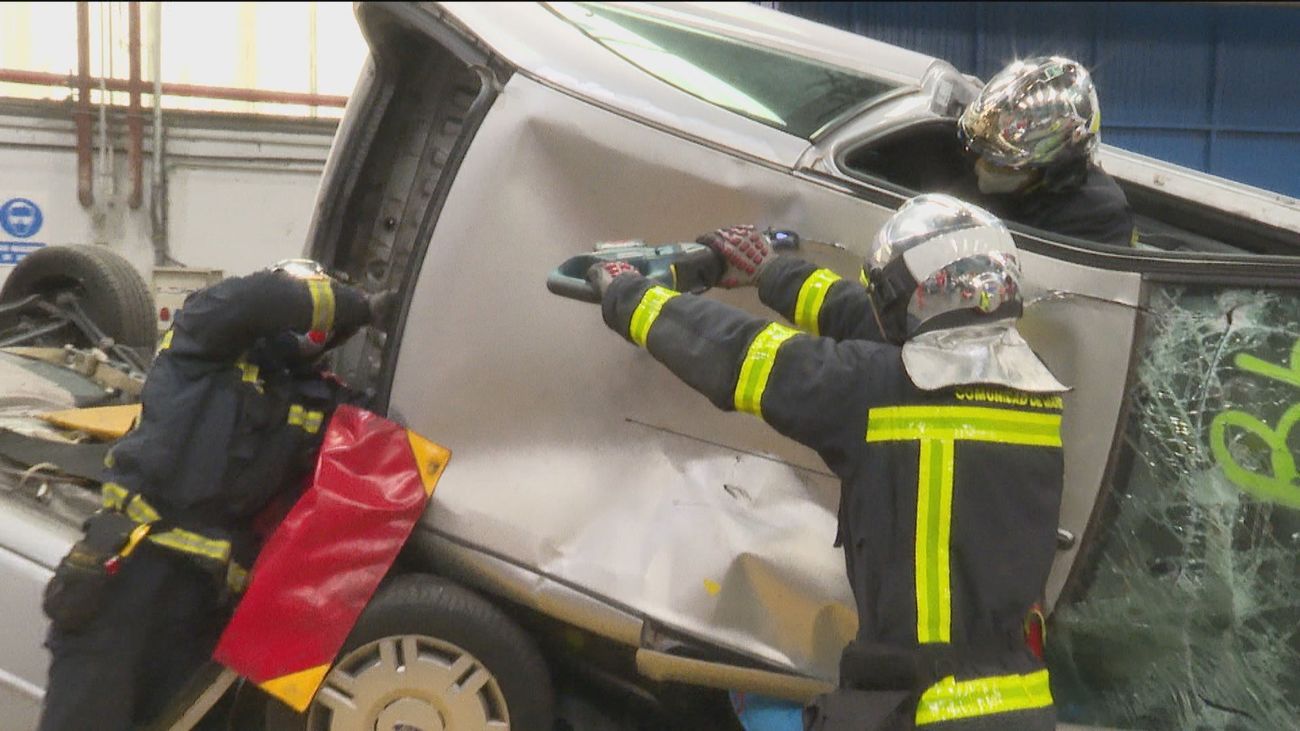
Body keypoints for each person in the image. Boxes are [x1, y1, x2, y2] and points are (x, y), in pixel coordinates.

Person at [585, 195, 1067, 730]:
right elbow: (869, 323)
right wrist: (770, 271)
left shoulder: (878, 391)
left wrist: (628, 293)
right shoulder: (1033, 385)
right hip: (1019, 702)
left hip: (920, 710)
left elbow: (741, 352)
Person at [38, 259, 393, 731]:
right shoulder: (206, 338)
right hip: (125, 576)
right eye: (311, 304)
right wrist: (362, 307)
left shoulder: (316, 398)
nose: (313, 325)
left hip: (203, 609)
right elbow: (256, 300)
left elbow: (387, 442)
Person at [958, 56, 1136, 247]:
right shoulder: (1010, 188)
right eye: (982, 155)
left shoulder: (1098, 217)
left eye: (998, 163)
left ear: (1055, 164)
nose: (979, 167)